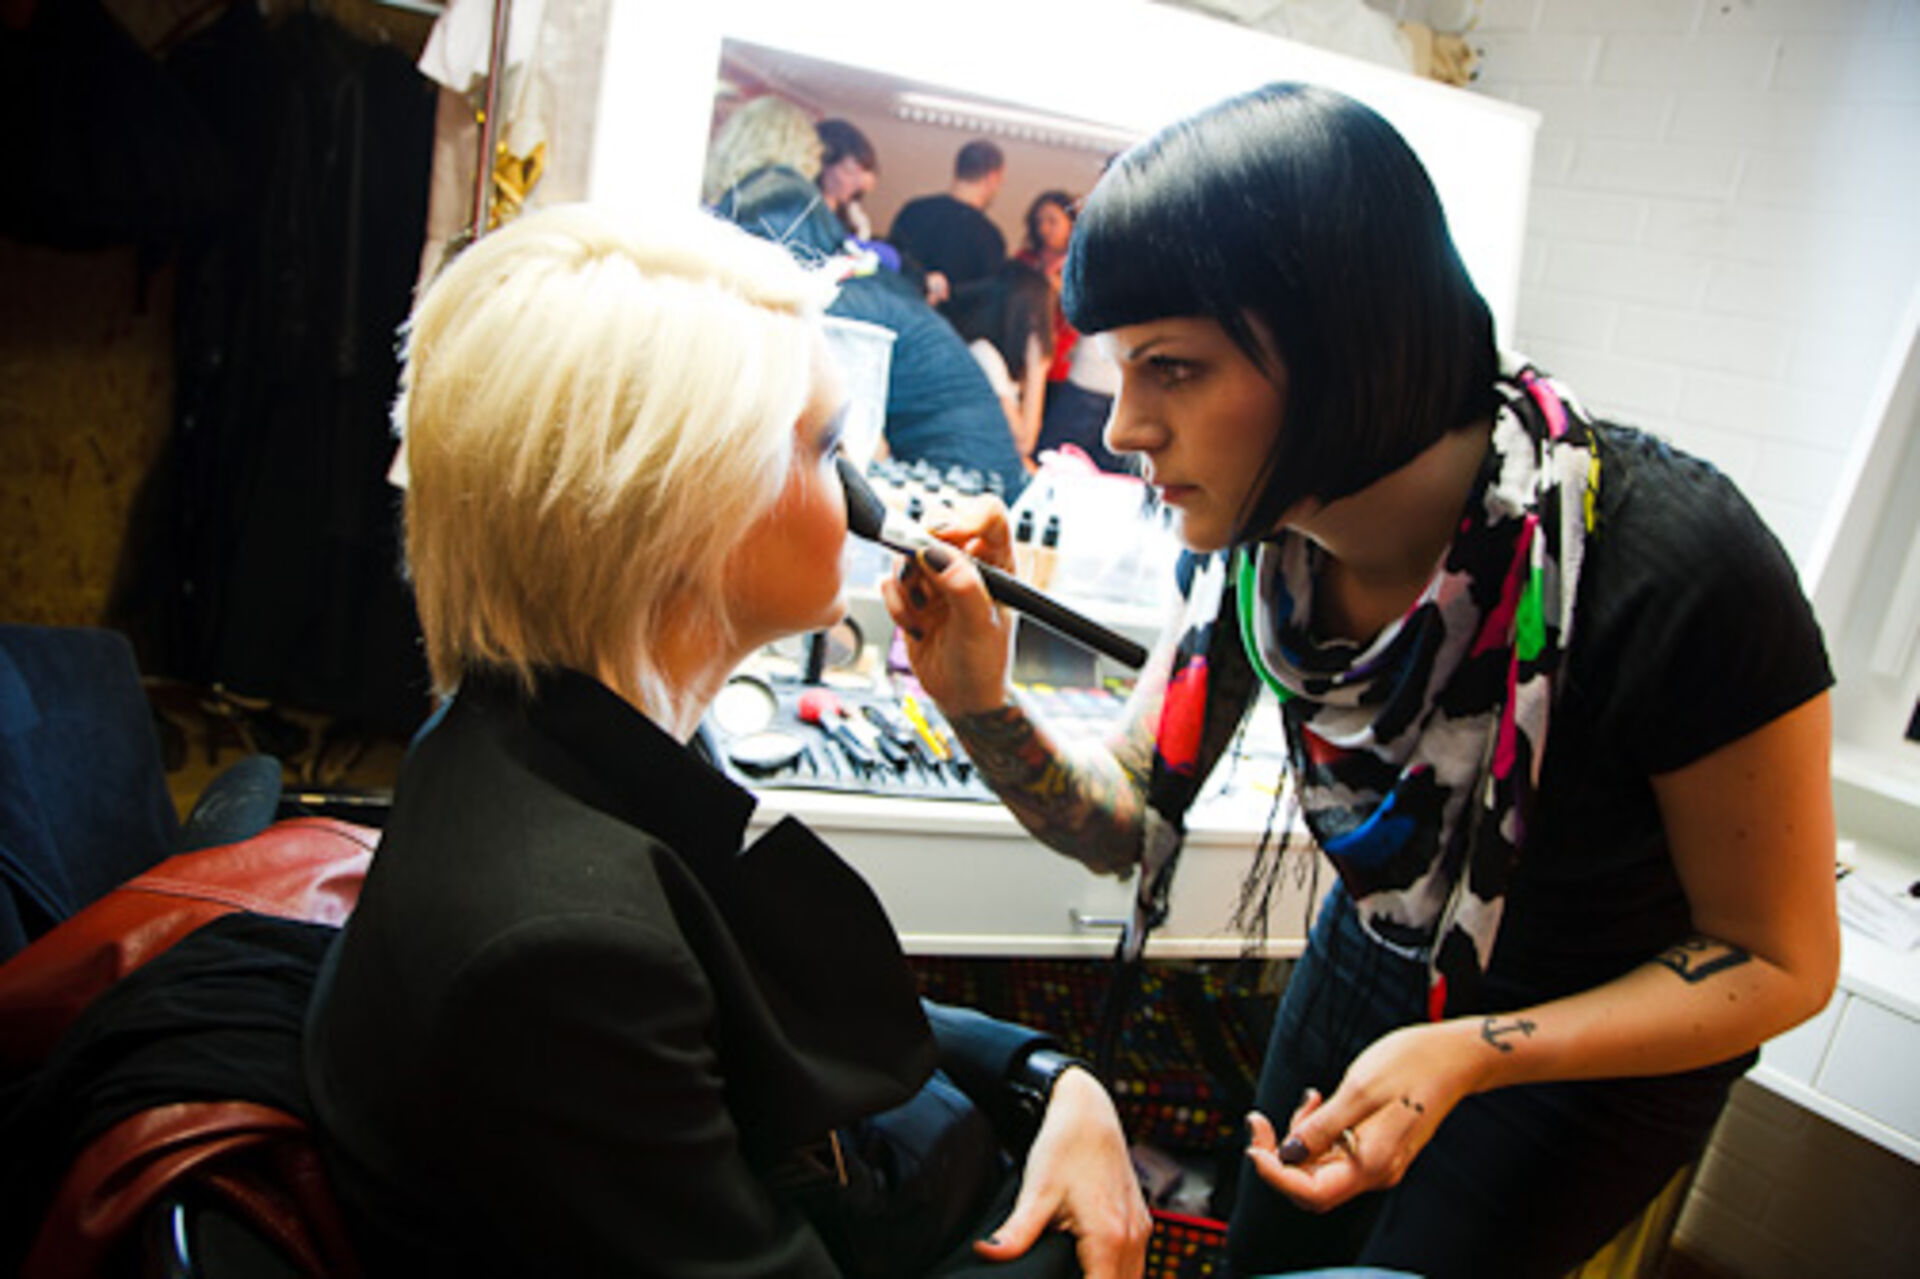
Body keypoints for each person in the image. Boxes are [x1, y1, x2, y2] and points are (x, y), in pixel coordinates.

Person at [883, 83, 1838, 1279]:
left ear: (1343, 348)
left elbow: (1781, 959)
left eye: (1173, 368)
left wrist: (1477, 1049)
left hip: (1590, 1037)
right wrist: (978, 696)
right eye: (1124, 368)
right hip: (1371, 952)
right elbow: (1126, 817)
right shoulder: (1259, 542)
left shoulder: (1676, 569)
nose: (1125, 426)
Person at [302, 204, 1148, 1277]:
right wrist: (1065, 1243)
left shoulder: (561, 733)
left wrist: (1045, 1078)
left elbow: (768, 1007)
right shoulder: (567, 957)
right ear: (686, 515)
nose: (865, 496)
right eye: (827, 448)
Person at [707, 97, 1028, 497]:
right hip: (976, 466)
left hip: (969, 482)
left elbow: (833, 444)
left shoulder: (831, 299)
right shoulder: (852, 277)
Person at [945, 260, 1056, 467]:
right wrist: (1038, 369)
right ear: (1028, 317)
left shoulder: (998, 357)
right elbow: (1023, 444)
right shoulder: (985, 355)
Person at [889, 138, 1009, 308]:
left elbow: (889, 265)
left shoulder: (913, 211)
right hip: (949, 325)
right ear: (993, 177)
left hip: (896, 313)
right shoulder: (991, 239)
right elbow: (985, 305)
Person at [1013, 190, 1080, 384]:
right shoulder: (1025, 259)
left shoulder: (1080, 263)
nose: (1044, 228)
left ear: (1071, 223)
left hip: (1062, 361)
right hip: (1021, 353)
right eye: (1039, 222)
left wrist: (1060, 290)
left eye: (1052, 221)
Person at [816, 117, 880, 241]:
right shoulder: (801, 217)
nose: (858, 182)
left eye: (862, 172)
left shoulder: (851, 218)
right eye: (849, 171)